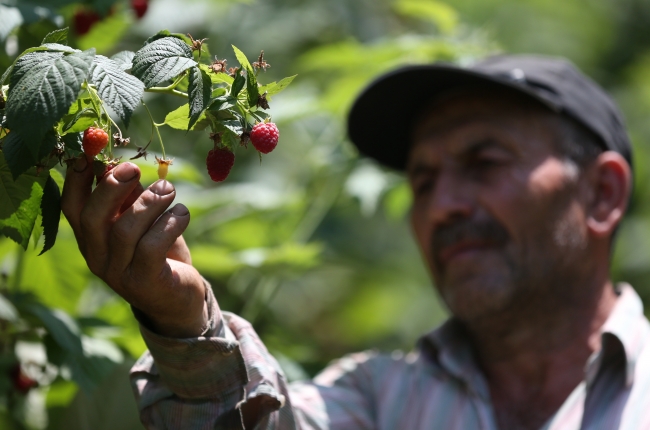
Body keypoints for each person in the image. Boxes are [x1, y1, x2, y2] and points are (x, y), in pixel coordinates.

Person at [60, 54, 650, 430]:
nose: (441, 205)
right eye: (422, 180)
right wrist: (184, 321)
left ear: (601, 194)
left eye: (485, 161)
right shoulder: (373, 399)